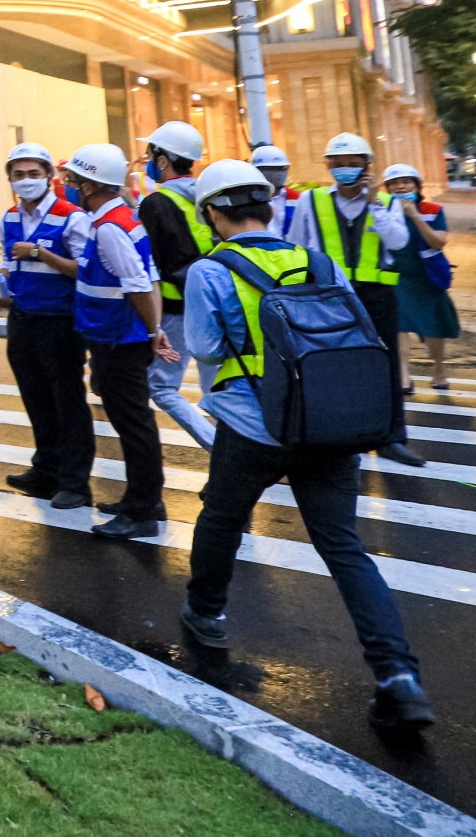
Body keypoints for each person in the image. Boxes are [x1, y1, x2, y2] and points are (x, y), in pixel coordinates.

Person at [180, 159, 434, 731]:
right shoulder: (318, 263)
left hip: (254, 426)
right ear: (268, 206)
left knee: (221, 518)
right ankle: (398, 675)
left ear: (213, 213)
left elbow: (206, 347)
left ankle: (206, 614)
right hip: (328, 424)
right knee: (344, 548)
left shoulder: (211, 270)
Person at [56, 144, 173, 539]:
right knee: (134, 422)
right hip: (119, 338)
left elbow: (139, 284)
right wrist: (154, 329)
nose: (67, 186)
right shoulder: (119, 219)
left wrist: (153, 331)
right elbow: (150, 276)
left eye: (72, 181)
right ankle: (144, 499)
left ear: (89, 185)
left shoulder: (109, 228)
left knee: (134, 424)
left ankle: (142, 512)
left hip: (118, 341)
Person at [288, 132, 424, 465]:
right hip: (330, 295)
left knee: (386, 364)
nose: (345, 170)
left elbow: (397, 241)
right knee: (331, 365)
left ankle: (392, 438)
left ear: (367, 166)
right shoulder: (312, 200)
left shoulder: (388, 202)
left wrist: (374, 201)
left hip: (377, 296)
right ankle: (338, 435)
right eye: (338, 165)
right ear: (328, 166)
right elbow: (297, 246)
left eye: (353, 164)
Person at [0, 142, 96, 510]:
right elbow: (7, 262)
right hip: (22, 318)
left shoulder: (72, 217)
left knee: (68, 403)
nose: (26, 181)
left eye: (33, 174)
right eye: (19, 175)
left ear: (49, 177)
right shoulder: (9, 218)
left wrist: (42, 254)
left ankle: (75, 482)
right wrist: (0, 284)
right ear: (9, 179)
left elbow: (86, 270)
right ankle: (46, 469)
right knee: (36, 399)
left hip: (61, 322)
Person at [135, 121, 218, 449]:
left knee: (162, 387)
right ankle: (234, 452)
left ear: (164, 160)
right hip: (217, 304)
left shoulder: (155, 204)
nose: (149, 162)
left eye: (150, 155)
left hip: (176, 313)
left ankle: (217, 445)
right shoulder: (209, 196)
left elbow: (146, 266)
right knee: (216, 391)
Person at [383, 164, 457, 391]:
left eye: (406, 181)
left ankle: (439, 370)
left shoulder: (432, 210)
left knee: (433, 326)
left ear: (416, 185)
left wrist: (414, 215)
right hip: (396, 275)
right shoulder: (382, 211)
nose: (400, 186)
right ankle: (404, 375)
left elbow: (438, 241)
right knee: (399, 324)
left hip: (427, 276)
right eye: (394, 183)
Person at [251, 144, 299, 236]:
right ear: (257, 170)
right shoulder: (246, 199)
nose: (280, 174)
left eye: (283, 168)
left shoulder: (296, 198)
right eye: (273, 169)